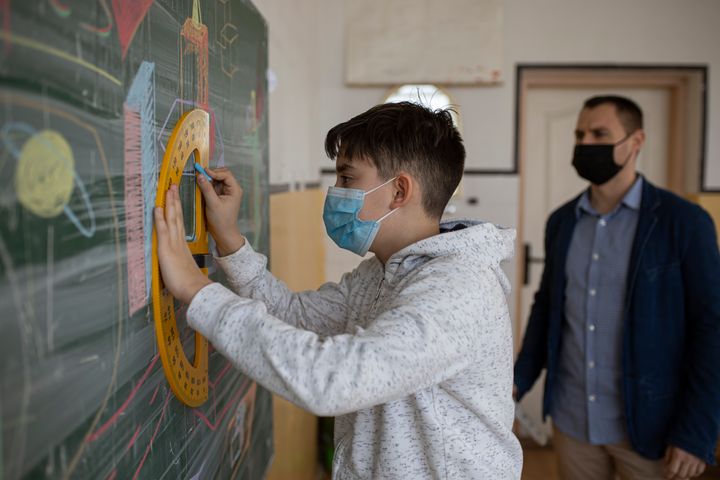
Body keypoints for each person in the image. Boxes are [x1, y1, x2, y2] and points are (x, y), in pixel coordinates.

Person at [155, 102, 523, 479]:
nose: (335, 191)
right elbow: (295, 316)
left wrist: (197, 290)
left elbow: (331, 379)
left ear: (399, 191)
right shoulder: (379, 273)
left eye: (347, 179)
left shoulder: (456, 290)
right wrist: (230, 240)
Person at [514, 95, 720, 479]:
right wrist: (517, 380)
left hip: (651, 428)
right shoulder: (562, 222)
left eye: (600, 133)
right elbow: (547, 310)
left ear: (636, 141)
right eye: (580, 134)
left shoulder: (685, 223)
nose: (586, 143)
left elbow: (712, 329)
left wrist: (697, 431)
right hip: (573, 423)